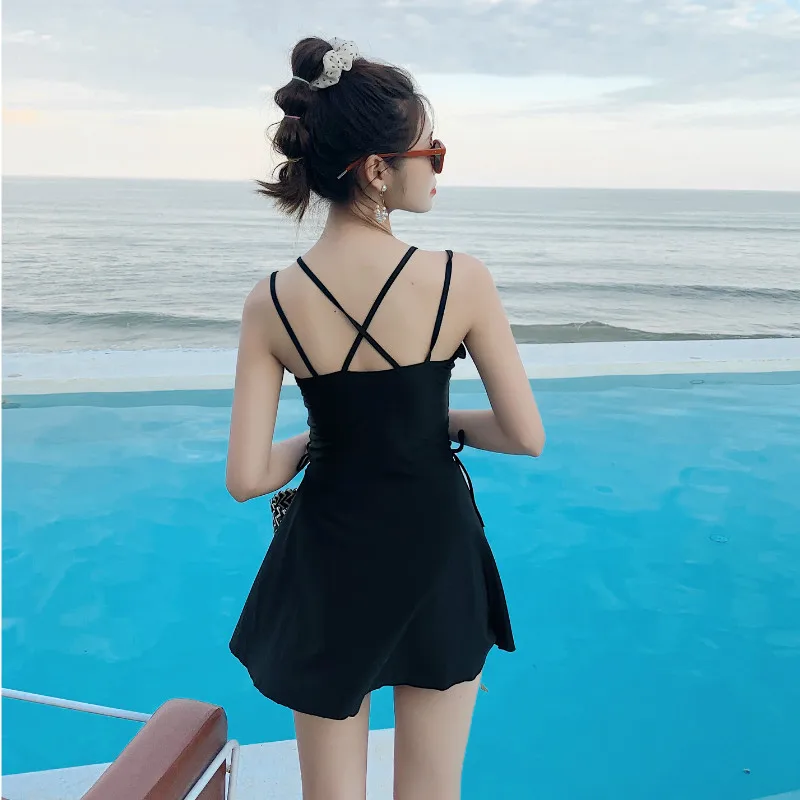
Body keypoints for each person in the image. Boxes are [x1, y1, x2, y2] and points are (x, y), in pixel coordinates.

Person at [226, 36, 545, 800]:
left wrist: (324, 438)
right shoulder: (460, 280)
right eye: (431, 151)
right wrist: (439, 424)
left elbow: (247, 478)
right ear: (377, 169)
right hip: (436, 550)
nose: (437, 166)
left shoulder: (272, 300)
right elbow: (524, 436)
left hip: (329, 557)